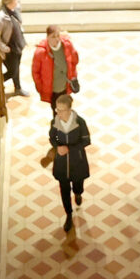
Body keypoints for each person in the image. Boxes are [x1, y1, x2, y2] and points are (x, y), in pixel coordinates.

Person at [47, 93, 90, 234]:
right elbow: (52, 138)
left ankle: (78, 193)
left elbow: (86, 140)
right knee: (64, 189)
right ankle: (69, 215)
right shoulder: (55, 122)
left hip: (77, 161)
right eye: (57, 110)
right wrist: (57, 147)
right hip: (61, 163)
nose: (58, 113)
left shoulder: (80, 122)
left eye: (61, 110)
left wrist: (69, 149)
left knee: (78, 184)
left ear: (69, 110)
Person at [0, 0, 27, 99]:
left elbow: (19, 2)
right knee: (13, 71)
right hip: (9, 49)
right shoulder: (0, 17)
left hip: (18, 45)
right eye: (15, 0)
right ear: (9, 2)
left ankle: (18, 88)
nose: (17, 1)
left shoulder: (14, 9)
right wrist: (4, 48)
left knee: (16, 69)